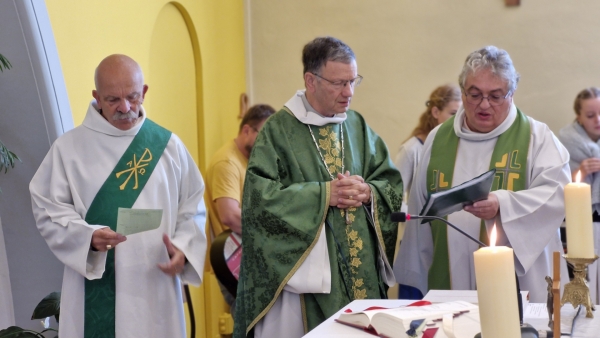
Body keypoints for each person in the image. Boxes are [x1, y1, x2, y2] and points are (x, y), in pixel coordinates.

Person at [233, 36, 403, 338]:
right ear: (310, 80)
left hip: (359, 267)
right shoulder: (278, 131)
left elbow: (389, 181)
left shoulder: (356, 126)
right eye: (339, 83)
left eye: (353, 81)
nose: (348, 92)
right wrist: (324, 195)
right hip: (303, 285)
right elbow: (259, 204)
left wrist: (368, 193)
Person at [29, 54, 207, 338]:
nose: (125, 108)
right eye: (113, 100)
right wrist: (87, 237)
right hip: (95, 287)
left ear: (144, 92)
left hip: (155, 284)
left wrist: (184, 248)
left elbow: (193, 207)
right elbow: (48, 209)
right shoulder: (69, 149)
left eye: (133, 97)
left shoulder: (168, 147)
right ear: (96, 97)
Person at [393, 45, 570, 303]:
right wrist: (415, 270)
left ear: (512, 93)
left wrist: (503, 204)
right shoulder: (438, 138)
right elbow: (421, 207)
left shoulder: (536, 137)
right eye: (474, 94)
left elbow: (557, 194)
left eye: (496, 95)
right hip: (449, 276)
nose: (484, 105)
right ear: (462, 92)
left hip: (520, 281)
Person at [206, 103, 275, 307]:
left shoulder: (249, 159)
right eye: (265, 136)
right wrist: (271, 238)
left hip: (251, 262)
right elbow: (230, 216)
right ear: (247, 130)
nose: (268, 144)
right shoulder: (226, 163)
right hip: (237, 264)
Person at [557, 87, 600, 304]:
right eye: (591, 115)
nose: (598, 120)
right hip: (585, 223)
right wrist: (580, 171)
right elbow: (560, 185)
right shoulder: (565, 142)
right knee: (590, 283)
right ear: (579, 117)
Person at [395, 85, 461, 204]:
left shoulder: (459, 147)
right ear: (436, 112)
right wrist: (415, 216)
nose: (458, 119)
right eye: (453, 113)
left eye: (461, 114)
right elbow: (394, 198)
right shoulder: (411, 150)